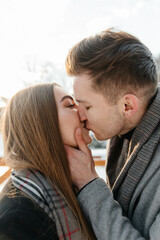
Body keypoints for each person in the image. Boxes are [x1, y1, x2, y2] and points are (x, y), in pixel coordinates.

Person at [65, 28, 160, 240]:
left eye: (87, 107)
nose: (79, 115)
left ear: (127, 105)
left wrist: (88, 184)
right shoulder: (123, 132)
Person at [0, 83, 96, 240]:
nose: (81, 110)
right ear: (41, 124)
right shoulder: (15, 219)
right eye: (70, 104)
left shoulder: (71, 185)